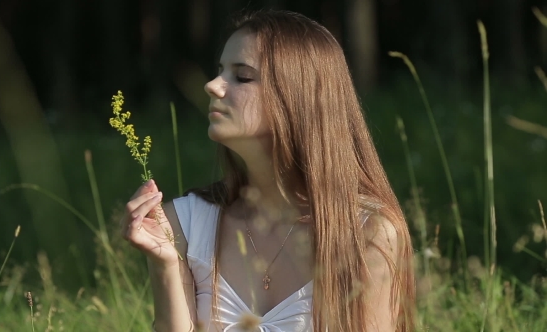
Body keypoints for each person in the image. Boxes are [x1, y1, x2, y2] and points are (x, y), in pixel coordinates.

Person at [122, 9, 415, 332]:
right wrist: (164, 264)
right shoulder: (186, 223)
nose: (212, 86)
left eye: (242, 76)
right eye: (220, 71)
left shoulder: (367, 232)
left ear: (297, 96)